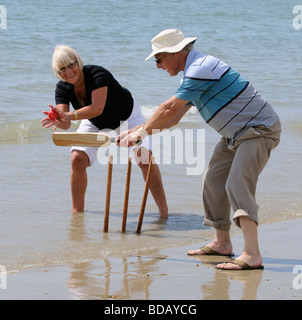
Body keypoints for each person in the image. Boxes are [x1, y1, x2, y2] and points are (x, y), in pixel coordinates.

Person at [118, 29, 281, 270]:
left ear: (174, 54)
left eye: (158, 59)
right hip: (234, 134)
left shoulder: (201, 68)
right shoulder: (192, 74)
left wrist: (140, 134)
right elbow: (172, 119)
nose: (158, 66)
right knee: (212, 182)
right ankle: (222, 243)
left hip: (258, 130)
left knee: (237, 185)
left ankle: (252, 254)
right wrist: (137, 131)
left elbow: (168, 109)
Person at [41, 45, 168, 218]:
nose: (69, 71)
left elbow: (97, 108)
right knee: (77, 159)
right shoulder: (62, 88)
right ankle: (77, 212)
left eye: (71, 65)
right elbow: (66, 125)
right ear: (57, 72)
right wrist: (58, 119)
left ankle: (164, 212)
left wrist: (68, 115)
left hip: (126, 116)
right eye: (62, 69)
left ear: (77, 62)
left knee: (144, 158)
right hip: (94, 122)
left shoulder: (97, 74)